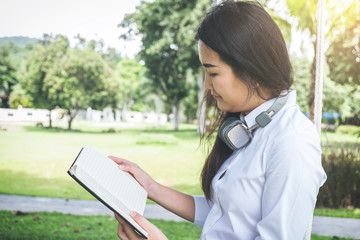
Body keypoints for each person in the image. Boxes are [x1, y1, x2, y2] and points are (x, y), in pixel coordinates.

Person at [109, 1, 327, 239]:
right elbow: (223, 212)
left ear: (251, 69)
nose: (207, 85)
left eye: (213, 73)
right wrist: (151, 187)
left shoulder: (292, 142)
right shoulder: (249, 126)